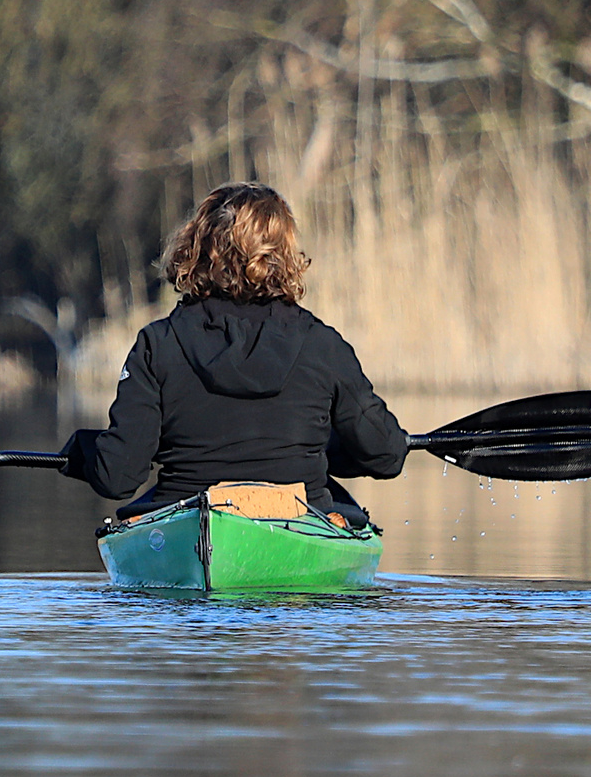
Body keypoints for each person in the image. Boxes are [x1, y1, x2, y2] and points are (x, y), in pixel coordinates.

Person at [58, 182, 408, 525]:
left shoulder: (158, 344)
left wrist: (83, 452)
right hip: (301, 521)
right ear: (284, 256)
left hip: (188, 525)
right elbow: (386, 455)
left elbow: (117, 477)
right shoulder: (323, 345)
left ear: (194, 250)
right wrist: (328, 452)